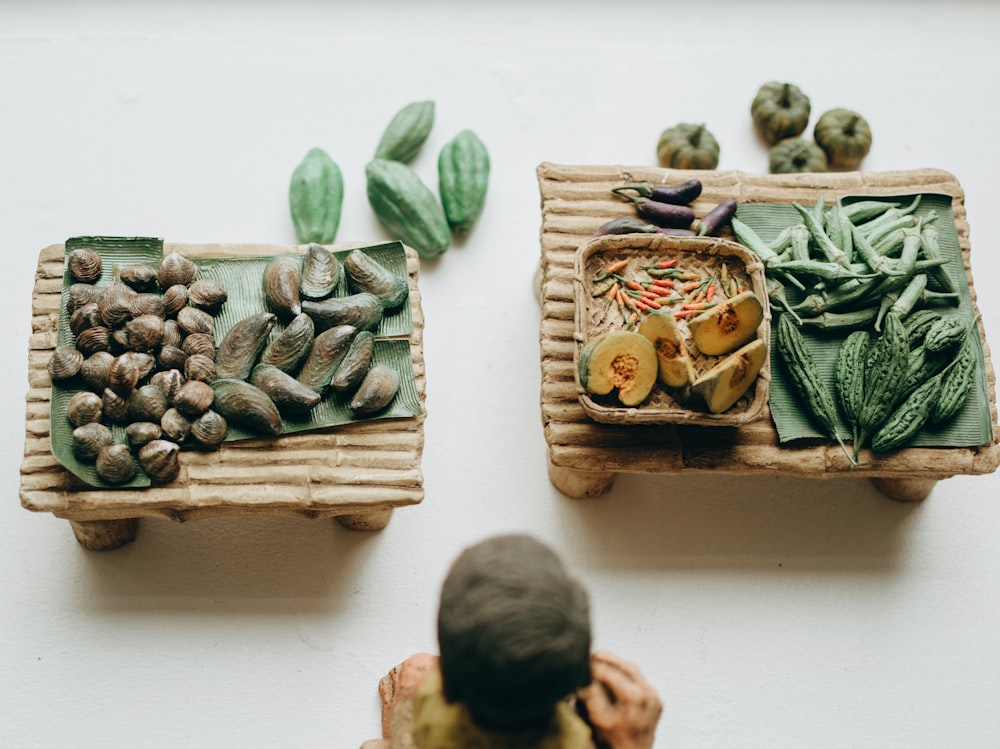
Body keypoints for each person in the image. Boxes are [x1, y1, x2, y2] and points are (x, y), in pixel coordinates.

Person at [362, 534, 662, 749]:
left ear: (446, 684)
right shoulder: (576, 739)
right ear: (581, 674)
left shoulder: (431, 702)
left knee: (414, 670)